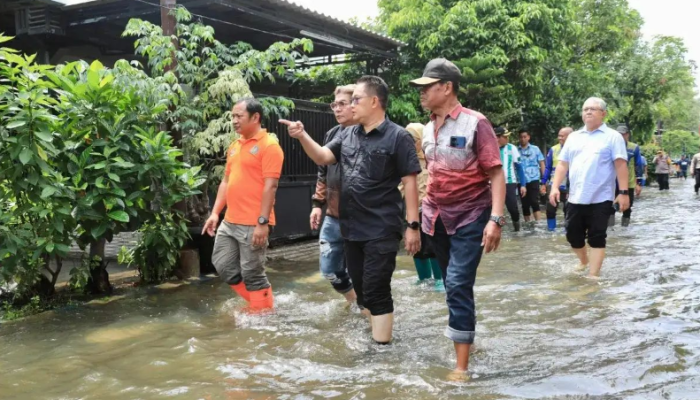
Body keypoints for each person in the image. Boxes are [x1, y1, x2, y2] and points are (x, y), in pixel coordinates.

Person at [280, 75, 422, 344]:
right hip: (351, 227)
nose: (350, 105)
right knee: (362, 289)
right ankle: (377, 332)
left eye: (356, 99)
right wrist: (301, 136)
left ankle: (382, 349)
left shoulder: (398, 136)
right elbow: (322, 156)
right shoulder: (346, 134)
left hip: (382, 227)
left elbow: (410, 183)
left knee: (377, 288)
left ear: (374, 101)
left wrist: (413, 226)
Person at [410, 58, 506, 377]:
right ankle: (469, 342)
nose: (421, 93)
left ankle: (461, 368)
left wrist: (495, 220)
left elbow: (495, 173)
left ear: (447, 87)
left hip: (471, 217)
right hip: (435, 218)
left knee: (456, 282)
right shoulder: (426, 128)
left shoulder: (475, 123)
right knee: (456, 286)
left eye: (427, 87)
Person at [203, 98, 284, 311]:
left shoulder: (269, 146)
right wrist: (214, 213)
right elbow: (226, 181)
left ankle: (261, 315)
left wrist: (262, 222)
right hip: (229, 221)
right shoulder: (234, 146)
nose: (234, 121)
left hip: (253, 222)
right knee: (223, 265)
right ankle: (262, 305)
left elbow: (271, 187)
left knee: (252, 273)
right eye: (233, 116)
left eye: (239, 116)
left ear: (255, 117)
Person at [549, 97, 629, 279]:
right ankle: (584, 261)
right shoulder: (574, 138)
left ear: (603, 113)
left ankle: (593, 276)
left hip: (601, 197)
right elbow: (562, 164)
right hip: (575, 197)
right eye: (585, 109)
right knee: (572, 235)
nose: (589, 112)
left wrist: (623, 193)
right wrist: (555, 187)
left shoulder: (612, 137)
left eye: (593, 109)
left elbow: (620, 165)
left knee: (597, 236)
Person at [309, 85, 357, 305]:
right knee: (329, 269)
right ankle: (354, 301)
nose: (337, 109)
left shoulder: (369, 132)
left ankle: (368, 309)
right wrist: (317, 204)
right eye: (334, 105)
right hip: (334, 213)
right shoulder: (333, 133)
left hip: (362, 216)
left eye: (342, 104)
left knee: (359, 268)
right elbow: (322, 170)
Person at [400, 123, 444, 292]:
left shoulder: (432, 158)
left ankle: (440, 279)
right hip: (412, 212)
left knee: (433, 246)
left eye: (413, 140)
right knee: (416, 247)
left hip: (432, 211)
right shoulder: (403, 161)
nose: (409, 144)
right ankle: (424, 279)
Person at [541, 127, 573, 231]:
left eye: (562, 136)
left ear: (570, 136)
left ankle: (568, 230)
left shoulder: (576, 149)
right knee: (550, 209)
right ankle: (551, 231)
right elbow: (548, 167)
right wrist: (543, 182)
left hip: (570, 184)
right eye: (559, 135)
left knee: (568, 209)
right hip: (554, 184)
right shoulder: (553, 149)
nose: (559, 138)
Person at [496, 127, 527, 231]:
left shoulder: (511, 148)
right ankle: (496, 230)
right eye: (505, 137)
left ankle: (517, 230)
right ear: (497, 137)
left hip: (509, 183)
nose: (507, 138)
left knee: (513, 208)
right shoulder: (489, 148)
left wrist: (523, 184)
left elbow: (519, 167)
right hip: (493, 184)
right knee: (494, 209)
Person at [613, 125, 643, 227]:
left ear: (627, 135)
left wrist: (638, 183)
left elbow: (638, 165)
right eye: (619, 134)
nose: (621, 136)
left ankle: (624, 229)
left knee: (627, 207)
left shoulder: (634, 148)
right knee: (609, 208)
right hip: (611, 183)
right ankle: (609, 229)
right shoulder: (610, 146)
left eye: (623, 134)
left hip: (628, 183)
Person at [518, 130, 545, 222]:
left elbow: (541, 163)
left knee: (534, 201)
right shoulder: (516, 150)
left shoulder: (535, 149)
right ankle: (527, 224)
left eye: (525, 137)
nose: (523, 139)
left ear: (528, 137)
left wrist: (544, 179)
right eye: (521, 137)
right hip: (521, 180)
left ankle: (538, 223)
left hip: (534, 178)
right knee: (524, 204)